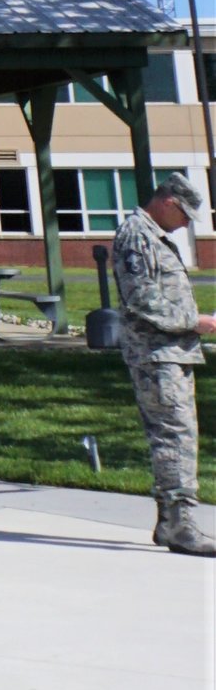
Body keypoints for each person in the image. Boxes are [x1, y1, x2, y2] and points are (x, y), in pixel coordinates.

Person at [111, 171, 216, 554]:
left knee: (178, 434)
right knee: (175, 436)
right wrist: (196, 322)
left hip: (170, 353)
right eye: (185, 214)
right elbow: (142, 299)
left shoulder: (153, 237)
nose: (187, 223)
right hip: (157, 355)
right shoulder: (138, 236)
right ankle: (180, 525)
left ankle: (170, 522)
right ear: (168, 202)